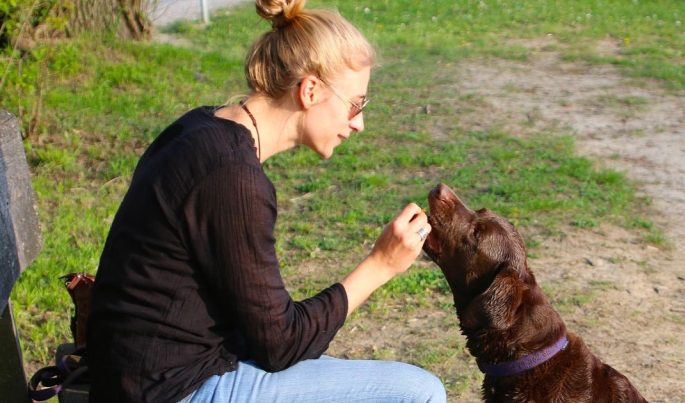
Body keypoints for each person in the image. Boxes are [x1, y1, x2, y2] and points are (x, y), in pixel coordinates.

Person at [86, 0, 446, 402]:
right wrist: (381, 264)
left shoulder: (203, 127)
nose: (359, 122)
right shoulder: (233, 178)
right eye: (355, 104)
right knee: (419, 393)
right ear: (310, 90)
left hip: (142, 374)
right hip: (170, 389)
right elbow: (280, 346)